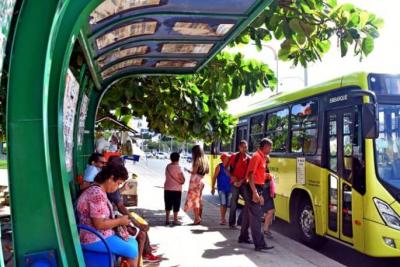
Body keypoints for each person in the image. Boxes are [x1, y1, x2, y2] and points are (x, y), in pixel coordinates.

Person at [76, 164, 139, 267]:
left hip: (99, 235)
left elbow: (101, 216)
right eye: (118, 183)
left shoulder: (98, 190)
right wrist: (120, 221)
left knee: (133, 242)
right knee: (132, 250)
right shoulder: (96, 194)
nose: (117, 187)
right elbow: (99, 224)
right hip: (93, 238)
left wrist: (117, 219)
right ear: (111, 178)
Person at [107, 156, 161, 264]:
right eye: (118, 183)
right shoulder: (99, 191)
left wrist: (122, 189)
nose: (118, 186)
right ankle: (142, 257)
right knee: (141, 232)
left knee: (141, 224)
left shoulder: (107, 185)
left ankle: (146, 250)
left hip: (112, 219)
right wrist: (130, 223)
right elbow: (119, 206)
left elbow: (115, 196)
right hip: (109, 225)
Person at [238, 138, 274, 252]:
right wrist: (255, 193)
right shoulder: (256, 157)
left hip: (256, 188)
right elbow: (250, 176)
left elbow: (258, 175)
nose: (271, 149)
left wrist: (266, 176)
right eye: (270, 147)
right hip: (252, 188)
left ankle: (243, 237)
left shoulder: (262, 157)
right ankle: (259, 244)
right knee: (257, 217)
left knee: (248, 216)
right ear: (265, 147)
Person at [183, 145, 209, 225]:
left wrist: (187, 170)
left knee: (194, 200)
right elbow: (207, 171)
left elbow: (194, 172)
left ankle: (197, 218)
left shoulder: (197, 159)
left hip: (195, 181)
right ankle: (198, 217)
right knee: (199, 199)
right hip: (202, 180)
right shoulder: (205, 159)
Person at [228, 140, 250, 228]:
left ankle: (240, 221)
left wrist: (241, 181)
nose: (245, 149)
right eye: (243, 147)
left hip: (243, 183)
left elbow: (249, 174)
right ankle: (231, 223)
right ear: (239, 148)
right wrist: (232, 177)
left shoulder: (249, 159)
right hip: (234, 183)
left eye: (246, 147)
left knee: (249, 202)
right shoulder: (234, 157)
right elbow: (226, 168)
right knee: (234, 202)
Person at [164, 152, 185, 226]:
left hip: (167, 188)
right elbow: (182, 179)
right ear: (178, 159)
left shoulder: (168, 166)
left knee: (168, 204)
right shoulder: (178, 167)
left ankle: (167, 219)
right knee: (176, 204)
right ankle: (175, 220)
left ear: (171, 158)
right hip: (176, 189)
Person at [211, 153, 232, 225]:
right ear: (223, 159)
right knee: (223, 203)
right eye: (227, 158)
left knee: (226, 204)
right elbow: (214, 177)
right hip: (221, 188)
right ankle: (222, 219)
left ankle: (223, 218)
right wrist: (213, 187)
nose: (228, 160)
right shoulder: (219, 167)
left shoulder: (231, 167)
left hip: (230, 189)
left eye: (229, 159)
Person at [262, 155, 276, 238]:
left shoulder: (266, 168)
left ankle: (265, 230)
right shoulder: (260, 168)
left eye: (268, 162)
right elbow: (255, 178)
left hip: (267, 191)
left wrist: (272, 191)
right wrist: (266, 176)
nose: (267, 163)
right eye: (266, 162)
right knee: (254, 212)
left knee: (271, 210)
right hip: (261, 191)